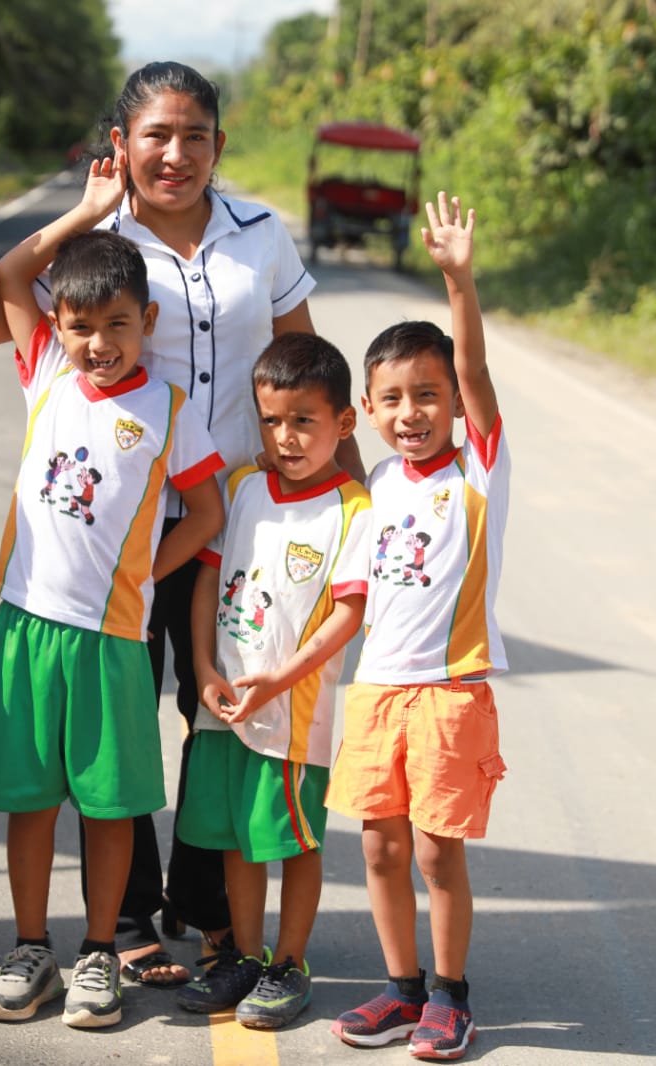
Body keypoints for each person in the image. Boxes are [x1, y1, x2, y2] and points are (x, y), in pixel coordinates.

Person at [0, 60, 357, 986]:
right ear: (122, 146)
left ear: (219, 147)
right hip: (108, 545)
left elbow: (307, 362)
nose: (175, 154)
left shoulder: (262, 238)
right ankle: (131, 918)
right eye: (156, 135)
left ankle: (207, 902)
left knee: (220, 714)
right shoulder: (93, 242)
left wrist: (358, 501)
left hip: (239, 523)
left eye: (194, 136)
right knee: (124, 721)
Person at [0, 155, 225, 1029]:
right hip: (26, 625)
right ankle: (31, 946)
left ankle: (100, 950)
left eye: (117, 325)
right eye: (81, 326)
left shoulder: (171, 408)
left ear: (148, 322)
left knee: (109, 806)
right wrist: (86, 211)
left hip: (111, 639)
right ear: (59, 329)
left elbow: (208, 510)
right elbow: (9, 275)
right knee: (31, 802)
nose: (98, 343)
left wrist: (148, 569)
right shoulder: (45, 372)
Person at [325, 195, 508, 1061]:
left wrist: (457, 281)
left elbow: (472, 370)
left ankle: (450, 994)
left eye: (427, 396)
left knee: (438, 855)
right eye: (393, 399)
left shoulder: (477, 467)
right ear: (368, 408)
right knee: (380, 848)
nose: (413, 412)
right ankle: (400, 990)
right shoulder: (376, 488)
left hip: (448, 691)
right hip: (375, 694)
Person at [174, 333, 371, 1029]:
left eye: (304, 421)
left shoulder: (353, 511)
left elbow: (345, 618)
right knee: (234, 838)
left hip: (292, 716)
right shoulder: (240, 486)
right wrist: (202, 667)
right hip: (227, 704)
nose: (285, 438)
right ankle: (246, 956)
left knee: (292, 839)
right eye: (272, 421)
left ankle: (290, 961)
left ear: (343, 424)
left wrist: (277, 681)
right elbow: (206, 581)